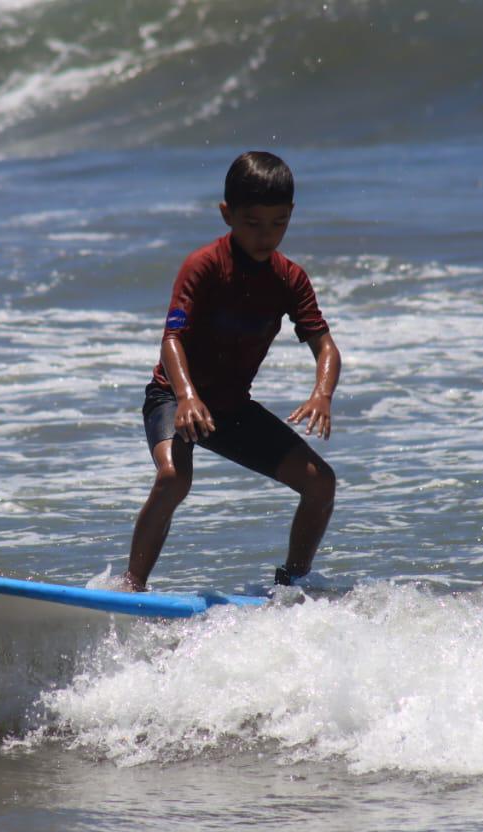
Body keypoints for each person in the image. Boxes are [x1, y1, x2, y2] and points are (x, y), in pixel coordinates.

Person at [122, 151, 341, 592]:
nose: (266, 236)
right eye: (253, 223)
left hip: (231, 408)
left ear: (291, 215)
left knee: (321, 483)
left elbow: (325, 345)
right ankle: (131, 588)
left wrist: (322, 394)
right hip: (173, 398)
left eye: (278, 223)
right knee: (172, 477)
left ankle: (292, 584)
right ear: (227, 214)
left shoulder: (289, 279)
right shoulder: (203, 266)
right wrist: (186, 396)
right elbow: (172, 340)